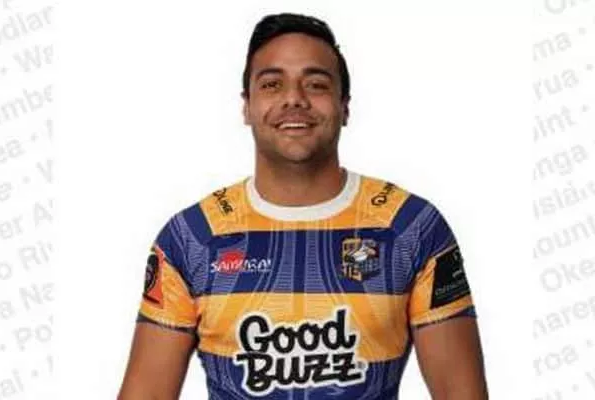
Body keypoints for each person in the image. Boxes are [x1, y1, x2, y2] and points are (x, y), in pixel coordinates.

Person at [118, 12, 488, 400]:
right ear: (247, 106)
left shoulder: (413, 228)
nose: (294, 98)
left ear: (345, 106)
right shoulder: (190, 237)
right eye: (272, 84)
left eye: (316, 84)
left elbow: (461, 394)